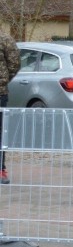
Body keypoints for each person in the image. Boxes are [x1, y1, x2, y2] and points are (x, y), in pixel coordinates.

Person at [0, 27, 21, 184]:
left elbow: (14, 64)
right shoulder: (5, 38)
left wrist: (3, 81)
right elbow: (14, 65)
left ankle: (1, 169)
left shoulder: (5, 39)